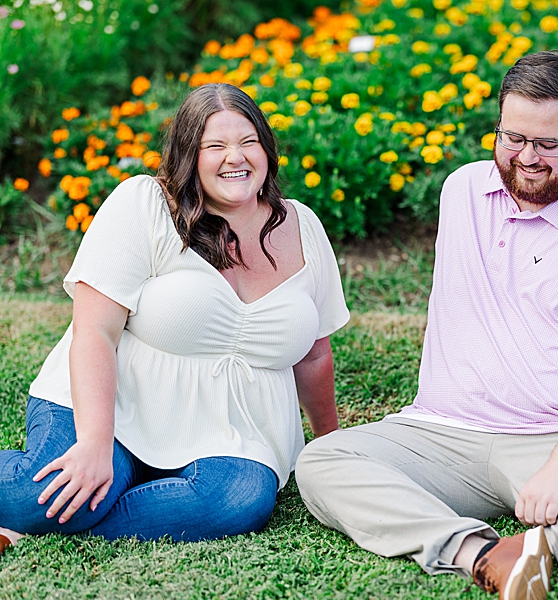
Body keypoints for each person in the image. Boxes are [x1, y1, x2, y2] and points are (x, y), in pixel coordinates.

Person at [295, 51, 558, 600]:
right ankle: (487, 555)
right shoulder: (463, 192)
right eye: (513, 138)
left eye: (547, 144)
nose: (527, 158)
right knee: (325, 462)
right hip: (447, 431)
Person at [0, 83, 349, 550]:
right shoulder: (144, 205)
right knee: (46, 494)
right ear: (190, 154)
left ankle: (62, 523)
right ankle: (52, 511)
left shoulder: (302, 226)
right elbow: (95, 332)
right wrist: (95, 444)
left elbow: (313, 355)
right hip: (114, 409)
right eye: (216, 146)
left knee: (237, 499)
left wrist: (331, 450)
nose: (236, 157)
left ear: (268, 150)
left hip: (232, 431)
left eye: (249, 142)